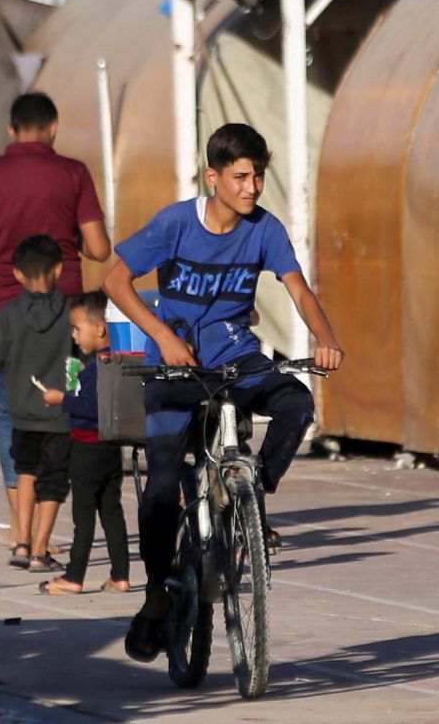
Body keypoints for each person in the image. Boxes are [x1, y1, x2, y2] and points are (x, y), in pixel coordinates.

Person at [103, 122, 346, 664]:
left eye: (258, 176)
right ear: (213, 177)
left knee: (296, 401)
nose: (252, 187)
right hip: (175, 366)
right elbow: (114, 281)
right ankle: (153, 599)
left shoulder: (266, 229)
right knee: (163, 486)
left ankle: (252, 498)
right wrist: (162, 336)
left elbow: (298, 290)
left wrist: (326, 339)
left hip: (237, 358)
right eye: (241, 176)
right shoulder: (175, 224)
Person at [0, 93, 110, 567]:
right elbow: (99, 249)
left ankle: (19, 533)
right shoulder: (73, 174)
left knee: (11, 415)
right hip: (68, 312)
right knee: (64, 412)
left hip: (2, 305)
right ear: (54, 125)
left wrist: (0, 256)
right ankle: (45, 535)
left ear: (11, 128)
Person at [0, 235, 76, 575]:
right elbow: (84, 354)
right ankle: (41, 549)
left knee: (26, 472)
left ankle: (21, 541)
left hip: (21, 412)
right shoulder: (71, 311)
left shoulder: (7, 314)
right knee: (53, 482)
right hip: (60, 414)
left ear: (18, 275)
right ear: (59, 269)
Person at [38, 291, 133, 596]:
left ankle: (74, 576)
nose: (74, 335)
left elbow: (92, 407)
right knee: (111, 512)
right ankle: (120, 575)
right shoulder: (115, 362)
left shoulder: (96, 368)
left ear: (100, 329)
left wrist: (62, 399)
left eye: (77, 328)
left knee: (84, 516)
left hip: (87, 448)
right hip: (109, 447)